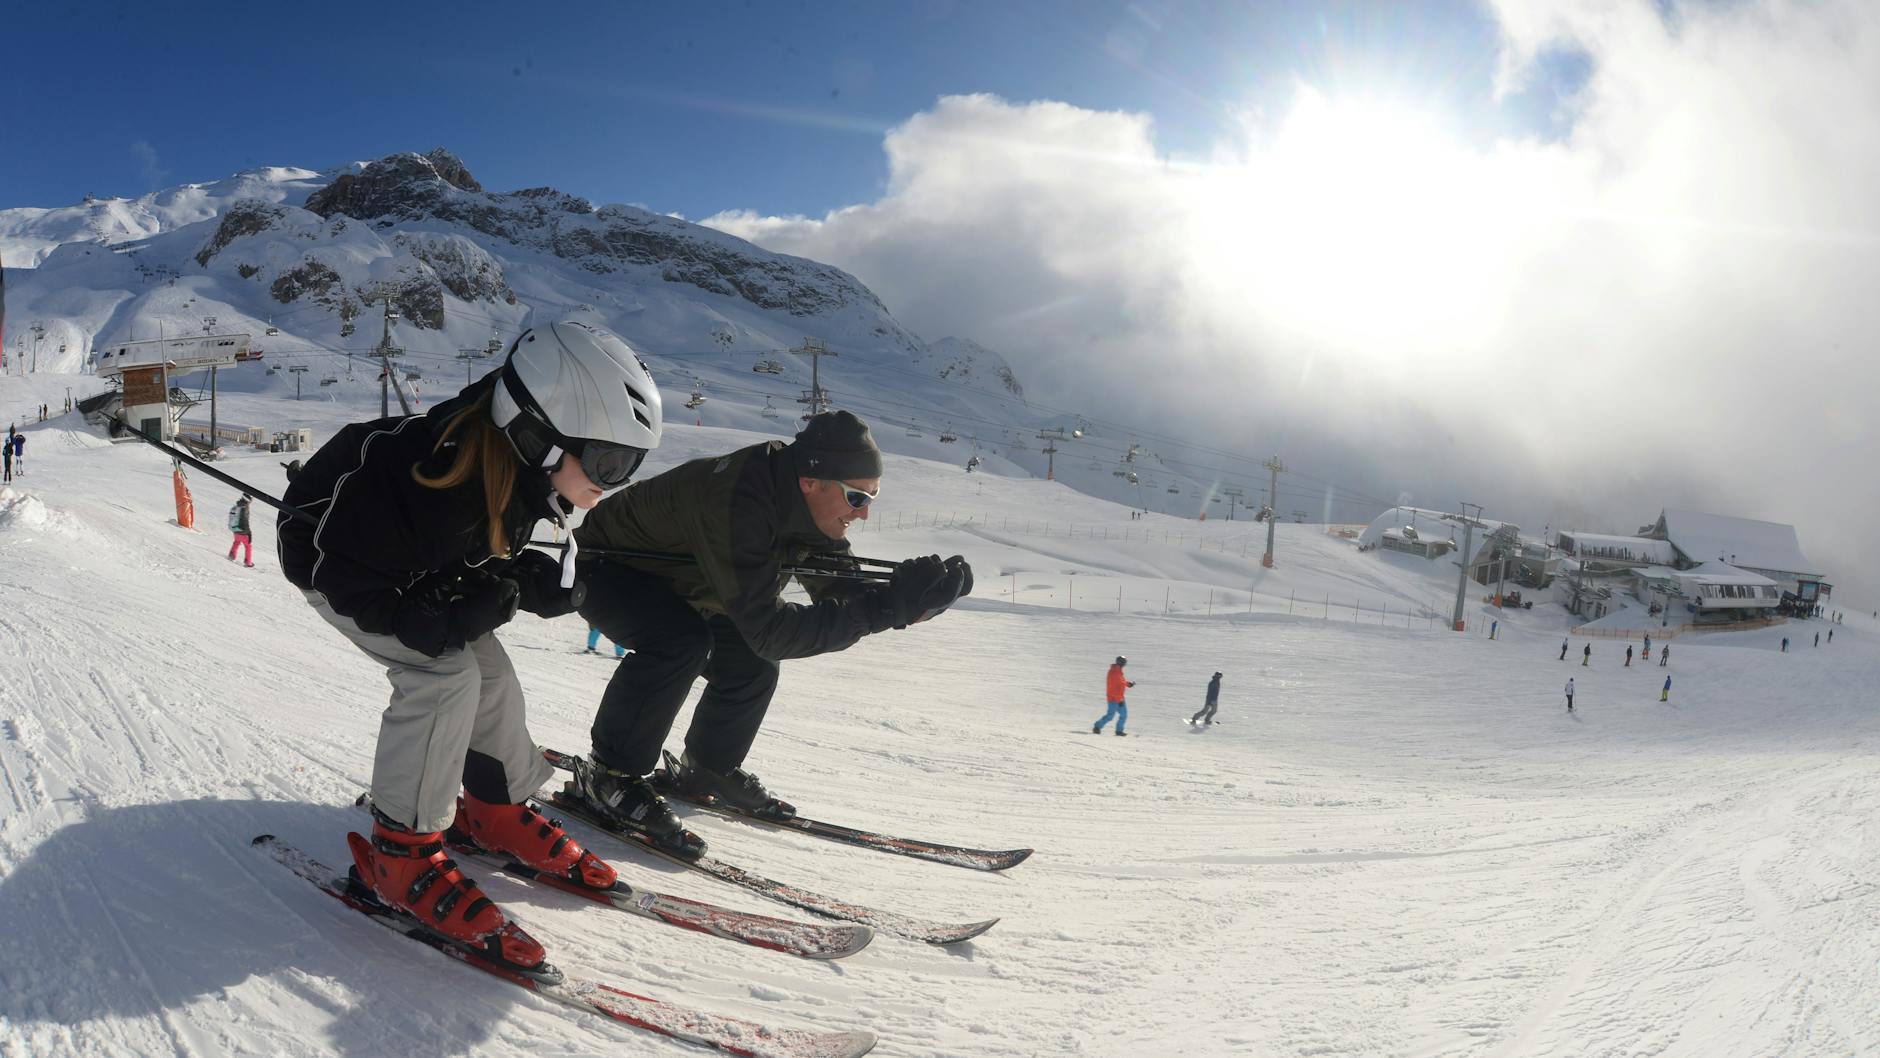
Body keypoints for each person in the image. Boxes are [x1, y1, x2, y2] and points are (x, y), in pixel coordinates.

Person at [278, 321, 662, 969]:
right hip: (333, 561)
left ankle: (494, 808)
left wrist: (515, 580)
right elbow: (346, 573)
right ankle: (401, 856)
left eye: (630, 465)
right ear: (541, 435)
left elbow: (471, 543)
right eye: (608, 463)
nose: (613, 483)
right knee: (442, 677)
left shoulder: (514, 460)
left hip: (407, 565)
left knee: (491, 674)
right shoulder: (429, 474)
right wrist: (428, 622)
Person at [568, 409, 972, 858]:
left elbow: (838, 587)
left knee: (751, 663)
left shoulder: (807, 502)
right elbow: (773, 631)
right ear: (811, 482)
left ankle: (708, 767)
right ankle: (610, 776)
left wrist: (911, 604)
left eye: (872, 497)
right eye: (858, 498)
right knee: (681, 642)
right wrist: (884, 608)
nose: (864, 514)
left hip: (695, 587)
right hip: (610, 569)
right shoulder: (741, 498)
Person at [1095, 656, 1134, 736]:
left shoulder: (1118, 671)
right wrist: (1119, 700)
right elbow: (1113, 688)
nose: (1124, 664)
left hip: (1120, 698)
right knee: (1110, 716)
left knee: (1124, 715)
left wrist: (1128, 684)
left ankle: (1119, 731)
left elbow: (1121, 682)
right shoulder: (1114, 672)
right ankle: (1097, 726)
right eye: (1124, 662)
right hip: (1113, 698)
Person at [227, 494, 255, 567]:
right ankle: (248, 562)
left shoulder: (237, 506)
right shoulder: (244, 508)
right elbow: (244, 521)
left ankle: (232, 555)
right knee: (248, 546)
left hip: (235, 530)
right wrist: (249, 533)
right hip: (243, 531)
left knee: (236, 542)